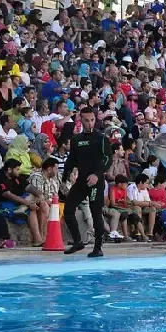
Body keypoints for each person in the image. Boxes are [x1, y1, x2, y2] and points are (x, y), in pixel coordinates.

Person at [62, 107, 111, 257]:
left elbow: (108, 159)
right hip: (82, 180)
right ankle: (78, 242)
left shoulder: (102, 138)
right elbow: (72, 160)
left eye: (92, 120)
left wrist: (97, 174)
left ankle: (98, 246)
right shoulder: (76, 139)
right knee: (68, 210)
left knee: (96, 214)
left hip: (96, 181)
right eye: (86, 120)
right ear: (81, 120)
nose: (90, 123)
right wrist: (65, 175)